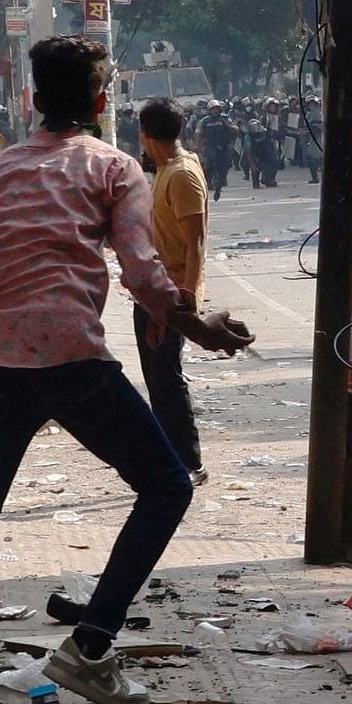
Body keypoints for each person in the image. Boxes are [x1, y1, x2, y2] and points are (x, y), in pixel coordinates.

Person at [0, 36, 253, 704]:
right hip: (72, 357)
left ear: (34, 100)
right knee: (165, 486)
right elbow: (142, 271)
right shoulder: (113, 167)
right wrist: (200, 325)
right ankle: (90, 647)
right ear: (101, 101)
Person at [134, 98, 213, 482]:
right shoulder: (169, 169)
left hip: (170, 293)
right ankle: (172, 459)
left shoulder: (182, 174)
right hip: (155, 289)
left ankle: (188, 462)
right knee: (158, 377)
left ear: (147, 135)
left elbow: (195, 241)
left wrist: (189, 297)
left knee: (166, 377)